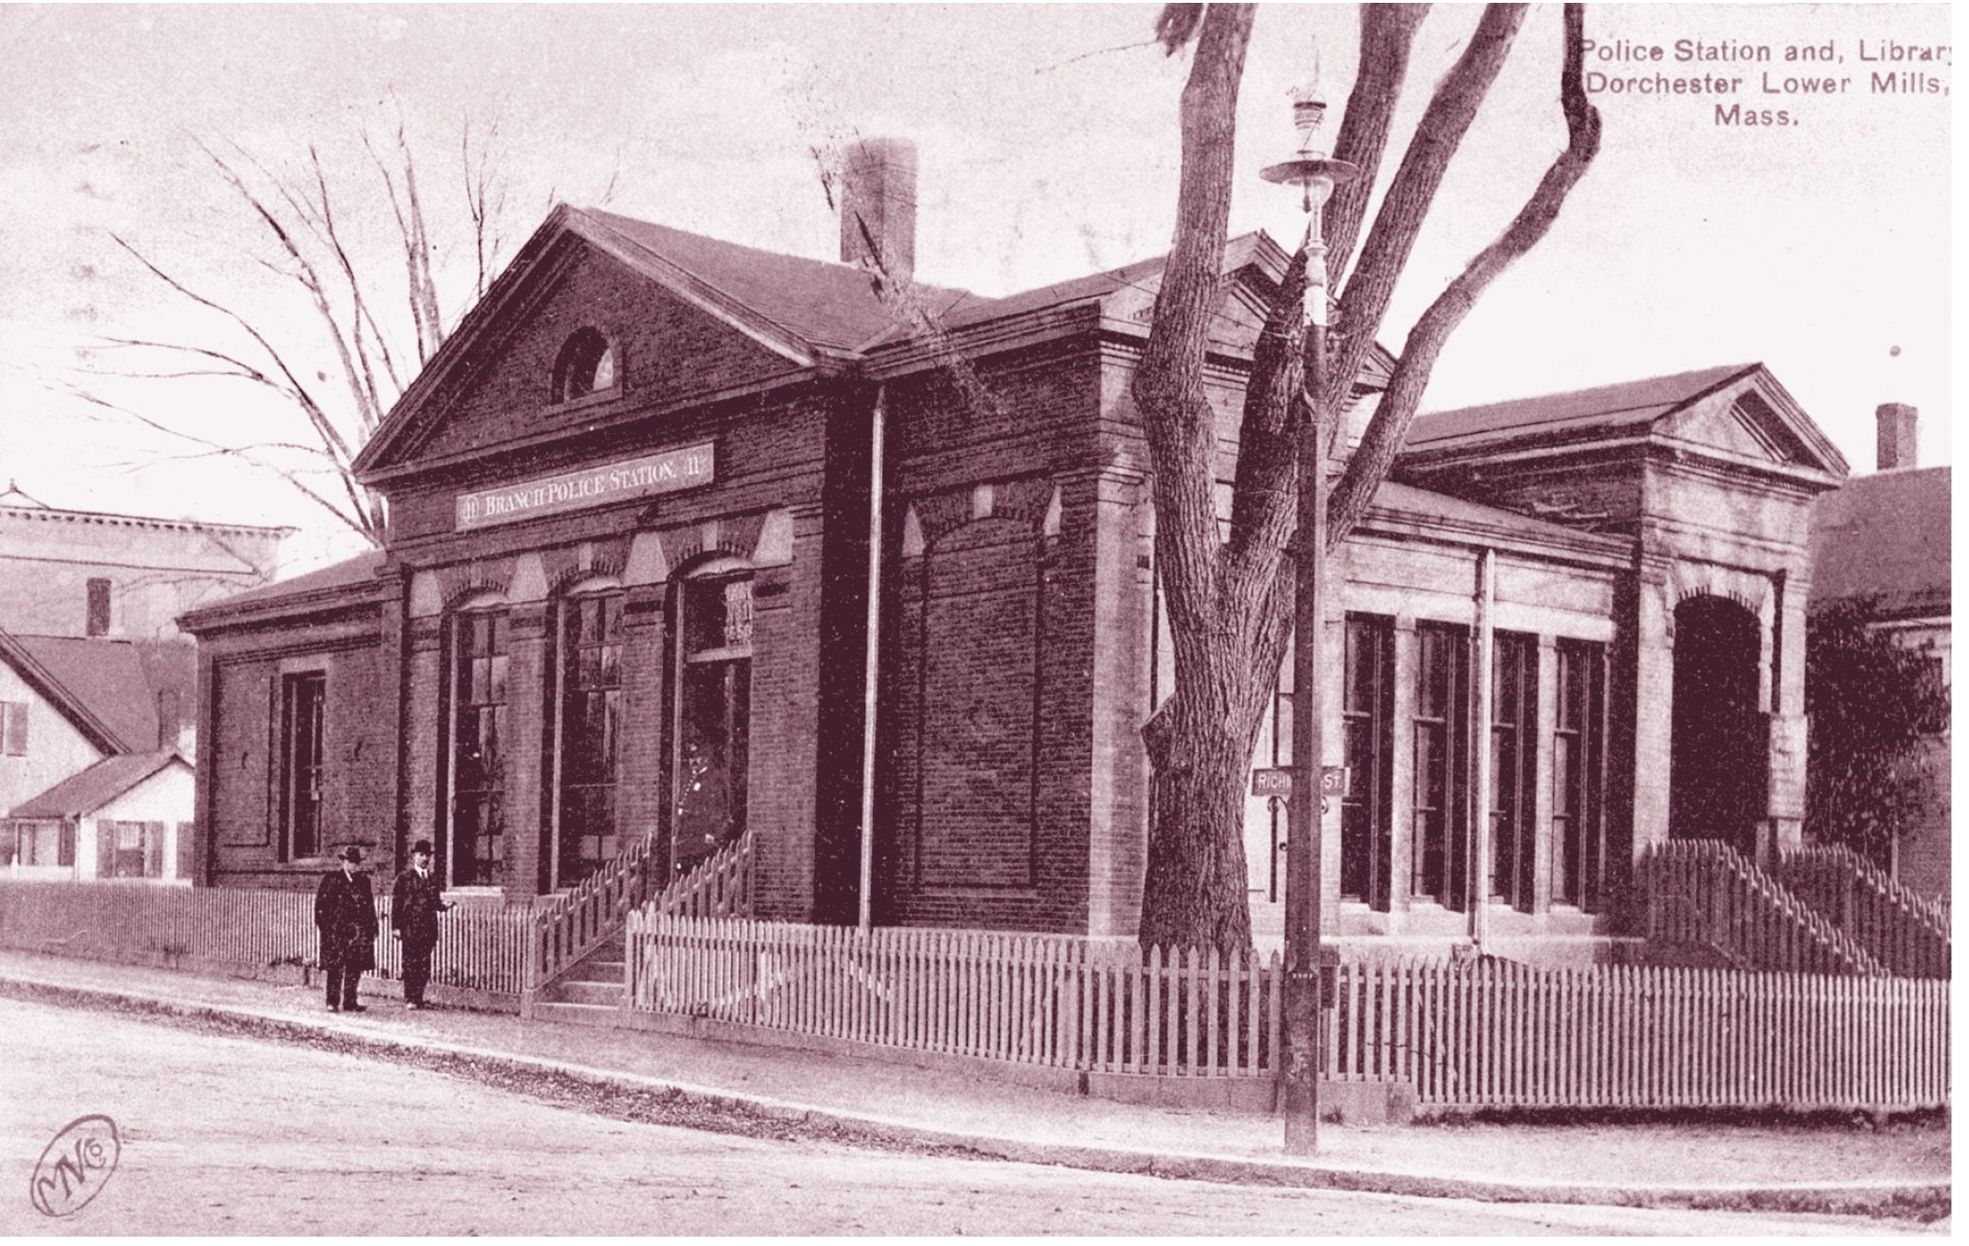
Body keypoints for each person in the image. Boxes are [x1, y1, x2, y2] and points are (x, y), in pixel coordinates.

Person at [391, 839, 453, 1010]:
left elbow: (434, 902)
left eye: (428, 855)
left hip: (428, 929)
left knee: (424, 965)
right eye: (422, 855)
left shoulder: (432, 878)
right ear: (414, 856)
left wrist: (444, 906)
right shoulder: (404, 878)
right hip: (410, 929)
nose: (425, 858)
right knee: (411, 963)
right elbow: (397, 904)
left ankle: (418, 997)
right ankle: (410, 998)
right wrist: (396, 927)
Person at [314, 845, 378, 1013]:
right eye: (351, 862)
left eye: (357, 863)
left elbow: (369, 906)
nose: (354, 866)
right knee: (335, 966)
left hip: (357, 931)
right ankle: (332, 1001)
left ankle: (350, 1001)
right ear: (343, 862)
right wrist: (327, 929)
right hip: (337, 932)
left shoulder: (363, 881)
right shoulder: (331, 880)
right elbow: (321, 907)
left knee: (355, 966)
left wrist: (372, 927)